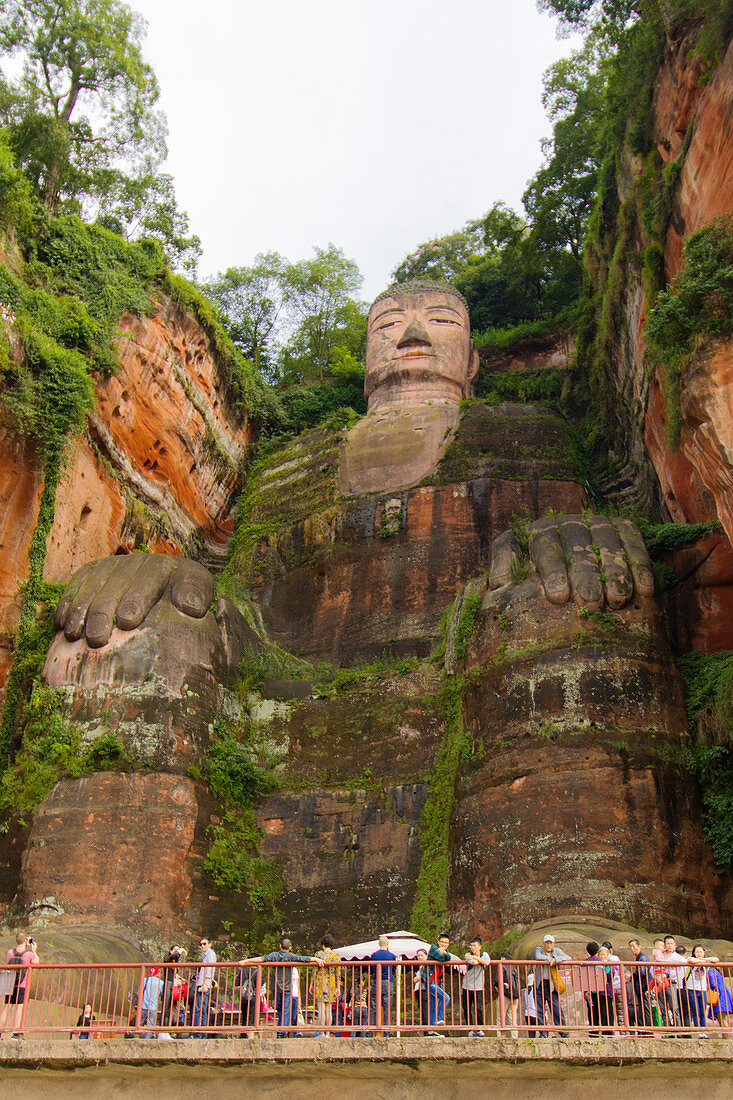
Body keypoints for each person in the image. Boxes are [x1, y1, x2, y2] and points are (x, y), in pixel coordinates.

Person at [242, 936, 324, 1038]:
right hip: (287, 988)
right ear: (290, 948)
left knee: (280, 1009)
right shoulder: (290, 956)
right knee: (285, 1010)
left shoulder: (274, 955)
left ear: (280, 946)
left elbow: (262, 959)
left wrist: (247, 961)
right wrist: (316, 959)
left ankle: (281, 1030)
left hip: (276, 987)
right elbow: (304, 959)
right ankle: (282, 1031)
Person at [0, 932, 38, 1036]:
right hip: (22, 984)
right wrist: (33, 950)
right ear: (26, 941)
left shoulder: (10, 953)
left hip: (10, 983)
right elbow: (36, 962)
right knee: (19, 1008)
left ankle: (0, 1030)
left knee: (7, 1006)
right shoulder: (28, 954)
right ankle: (16, 1033)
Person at [534, 934, 571, 1037]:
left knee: (556, 1008)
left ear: (553, 944)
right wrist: (550, 960)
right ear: (544, 944)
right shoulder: (539, 950)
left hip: (551, 984)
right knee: (540, 1009)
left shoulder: (557, 951)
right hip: (540, 983)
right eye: (547, 943)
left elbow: (568, 957)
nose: (549, 945)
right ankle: (543, 1032)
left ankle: (562, 1030)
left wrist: (556, 959)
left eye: (550, 943)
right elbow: (538, 957)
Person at [312, 933, 339, 1037]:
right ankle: (328, 1033)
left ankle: (322, 1032)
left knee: (321, 1009)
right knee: (329, 1010)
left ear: (323, 944)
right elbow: (338, 972)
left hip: (320, 982)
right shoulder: (335, 956)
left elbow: (314, 970)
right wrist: (337, 986)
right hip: (331, 983)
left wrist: (311, 983)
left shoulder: (318, 955)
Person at [461, 937, 490, 1036]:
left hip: (479, 986)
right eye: (471, 946)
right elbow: (473, 963)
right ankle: (470, 1029)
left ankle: (480, 1029)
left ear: (480, 947)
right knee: (467, 1008)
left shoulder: (484, 954)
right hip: (467, 986)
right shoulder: (467, 955)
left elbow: (487, 962)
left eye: (474, 946)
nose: (472, 948)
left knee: (479, 1008)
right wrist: (477, 959)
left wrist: (476, 958)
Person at [370, 934, 397, 1033]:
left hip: (376, 981)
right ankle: (387, 1031)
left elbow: (372, 968)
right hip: (387, 981)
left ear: (378, 943)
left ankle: (370, 1030)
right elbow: (393, 969)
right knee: (387, 1007)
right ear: (387, 943)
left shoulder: (374, 955)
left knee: (373, 1006)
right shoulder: (391, 956)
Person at [427, 933, 454, 1033]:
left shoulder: (445, 951)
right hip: (430, 981)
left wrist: (445, 953)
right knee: (446, 997)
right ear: (438, 942)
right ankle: (439, 1019)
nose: (443, 944)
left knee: (433, 1006)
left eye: (446, 943)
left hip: (437, 982)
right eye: (442, 942)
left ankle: (431, 1030)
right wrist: (444, 954)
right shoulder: (433, 948)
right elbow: (442, 959)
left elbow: (448, 958)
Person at [660, 935, 687, 1032]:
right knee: (663, 1007)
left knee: (674, 1007)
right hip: (662, 982)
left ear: (674, 945)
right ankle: (667, 1030)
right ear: (665, 945)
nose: (670, 945)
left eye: (672, 943)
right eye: (668, 943)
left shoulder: (677, 957)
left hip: (672, 982)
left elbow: (686, 964)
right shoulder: (661, 955)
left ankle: (678, 1029)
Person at [191, 935, 216, 1037]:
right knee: (202, 1009)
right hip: (202, 983)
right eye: (200, 944)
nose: (202, 946)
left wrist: (205, 984)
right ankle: (200, 1033)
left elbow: (209, 969)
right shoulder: (207, 955)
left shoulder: (210, 954)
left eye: (204, 944)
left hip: (204, 985)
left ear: (210, 944)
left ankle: (199, 1033)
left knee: (199, 1009)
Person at [159, 945, 186, 1034]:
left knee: (172, 1009)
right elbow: (170, 958)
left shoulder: (175, 963)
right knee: (166, 1009)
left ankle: (168, 1030)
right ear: (171, 951)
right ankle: (163, 1030)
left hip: (174, 986)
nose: (177, 952)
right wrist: (180, 951)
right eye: (175, 950)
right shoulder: (167, 958)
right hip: (168, 984)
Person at [684, 945, 710, 1032]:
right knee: (696, 1011)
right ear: (694, 953)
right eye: (697, 952)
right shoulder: (691, 960)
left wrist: (704, 960)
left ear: (704, 953)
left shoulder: (706, 961)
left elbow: (716, 959)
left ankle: (703, 1030)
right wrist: (700, 960)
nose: (699, 954)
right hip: (692, 988)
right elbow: (691, 960)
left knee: (703, 1012)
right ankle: (698, 1031)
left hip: (702, 989)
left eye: (701, 952)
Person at [627, 939, 652, 1031]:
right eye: (631, 947)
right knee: (643, 1009)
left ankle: (648, 1031)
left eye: (634, 946)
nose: (632, 949)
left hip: (644, 987)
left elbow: (642, 972)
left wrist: (633, 976)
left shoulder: (642, 958)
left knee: (645, 1009)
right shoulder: (638, 957)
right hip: (641, 987)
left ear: (639, 946)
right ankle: (645, 1030)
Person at [601, 941, 625, 1032]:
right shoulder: (616, 958)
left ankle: (610, 1030)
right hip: (618, 986)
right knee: (620, 1010)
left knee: (609, 1010)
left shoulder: (605, 960)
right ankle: (622, 1030)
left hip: (610, 988)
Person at [706, 961, 733, 1031]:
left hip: (719, 996)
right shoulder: (717, 971)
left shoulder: (711, 970)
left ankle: (726, 1037)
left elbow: (713, 984)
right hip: (724, 995)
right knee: (722, 1018)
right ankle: (725, 1036)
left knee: (721, 1018)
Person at [498, 952, 520, 1038]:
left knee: (501, 1016)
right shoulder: (514, 969)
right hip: (515, 995)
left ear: (504, 958)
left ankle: (501, 1036)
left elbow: (497, 981)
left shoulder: (502, 967)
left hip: (505, 994)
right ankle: (514, 1036)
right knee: (513, 1016)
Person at [412, 949, 431, 1034]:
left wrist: (417, 978)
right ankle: (425, 1030)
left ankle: (427, 1030)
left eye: (422, 955)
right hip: (418, 990)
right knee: (422, 1011)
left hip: (424, 989)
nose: (420, 958)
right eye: (418, 956)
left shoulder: (427, 966)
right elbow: (414, 980)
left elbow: (422, 978)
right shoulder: (420, 967)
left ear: (426, 956)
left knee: (425, 1010)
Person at [140, 967, 164, 1037]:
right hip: (153, 1006)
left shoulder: (145, 980)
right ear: (158, 973)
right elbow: (161, 994)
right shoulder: (161, 982)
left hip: (143, 1005)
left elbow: (140, 990)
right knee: (151, 1024)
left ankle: (139, 1037)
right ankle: (147, 1038)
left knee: (140, 1022)